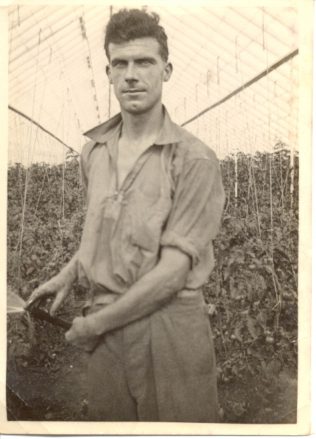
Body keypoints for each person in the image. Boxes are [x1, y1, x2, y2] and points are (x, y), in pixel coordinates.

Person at [26, 8, 225, 422]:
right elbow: (100, 234)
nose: (132, 74)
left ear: (166, 70)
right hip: (109, 327)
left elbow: (171, 275)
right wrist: (69, 274)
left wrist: (95, 326)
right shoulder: (94, 152)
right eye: (121, 63)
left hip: (168, 330)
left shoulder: (194, 160)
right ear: (109, 72)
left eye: (144, 62)